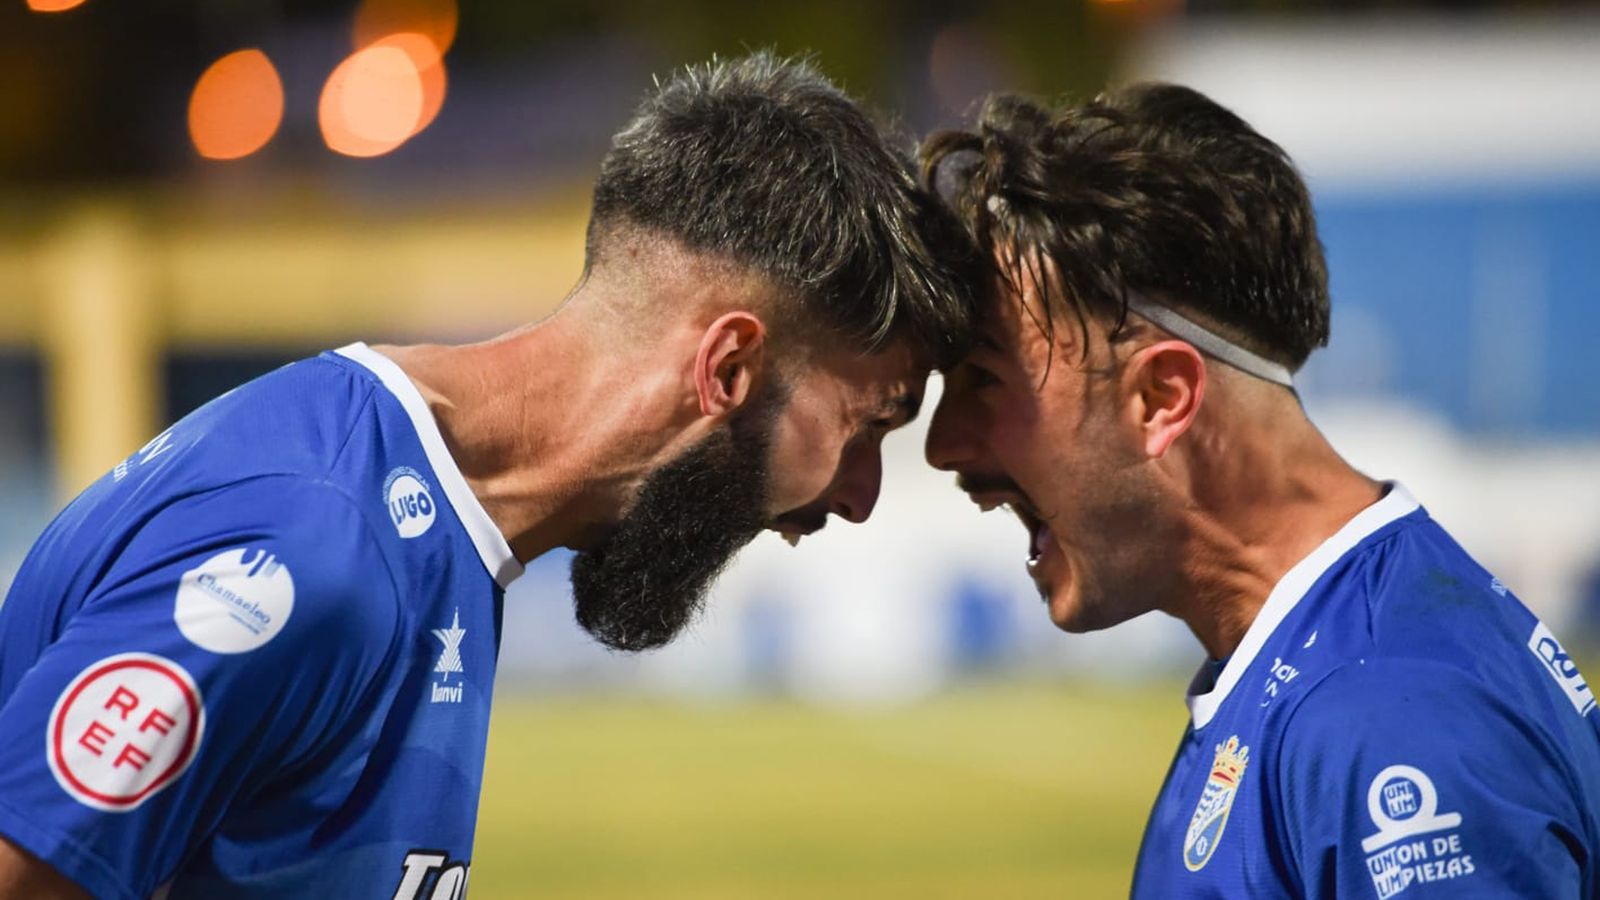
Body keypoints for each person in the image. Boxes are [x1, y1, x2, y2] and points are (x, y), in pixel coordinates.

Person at [0, 52, 979, 899]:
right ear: (726, 369)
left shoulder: (439, 530)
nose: (860, 497)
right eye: (867, 423)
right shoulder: (311, 548)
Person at [921, 83, 1600, 898]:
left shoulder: (1390, 716)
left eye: (985, 381)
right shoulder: (1329, 661)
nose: (943, 446)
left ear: (1161, 399)